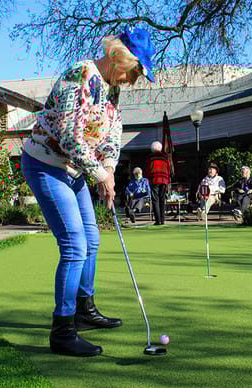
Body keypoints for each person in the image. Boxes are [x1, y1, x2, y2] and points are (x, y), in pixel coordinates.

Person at [20, 26, 156, 357]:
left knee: (92, 239)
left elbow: (112, 134)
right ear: (118, 57)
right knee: (74, 244)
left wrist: (108, 169)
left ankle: (84, 309)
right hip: (46, 164)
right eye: (134, 72)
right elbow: (68, 135)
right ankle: (62, 330)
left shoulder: (110, 90)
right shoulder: (79, 74)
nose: (133, 81)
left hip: (76, 170)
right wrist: (98, 174)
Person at [145, 141, 170, 225]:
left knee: (155, 200)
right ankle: (162, 220)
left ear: (152, 149)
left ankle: (158, 220)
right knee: (162, 199)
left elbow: (147, 170)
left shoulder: (150, 157)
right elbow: (168, 169)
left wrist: (148, 178)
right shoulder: (165, 157)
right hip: (164, 180)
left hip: (154, 180)